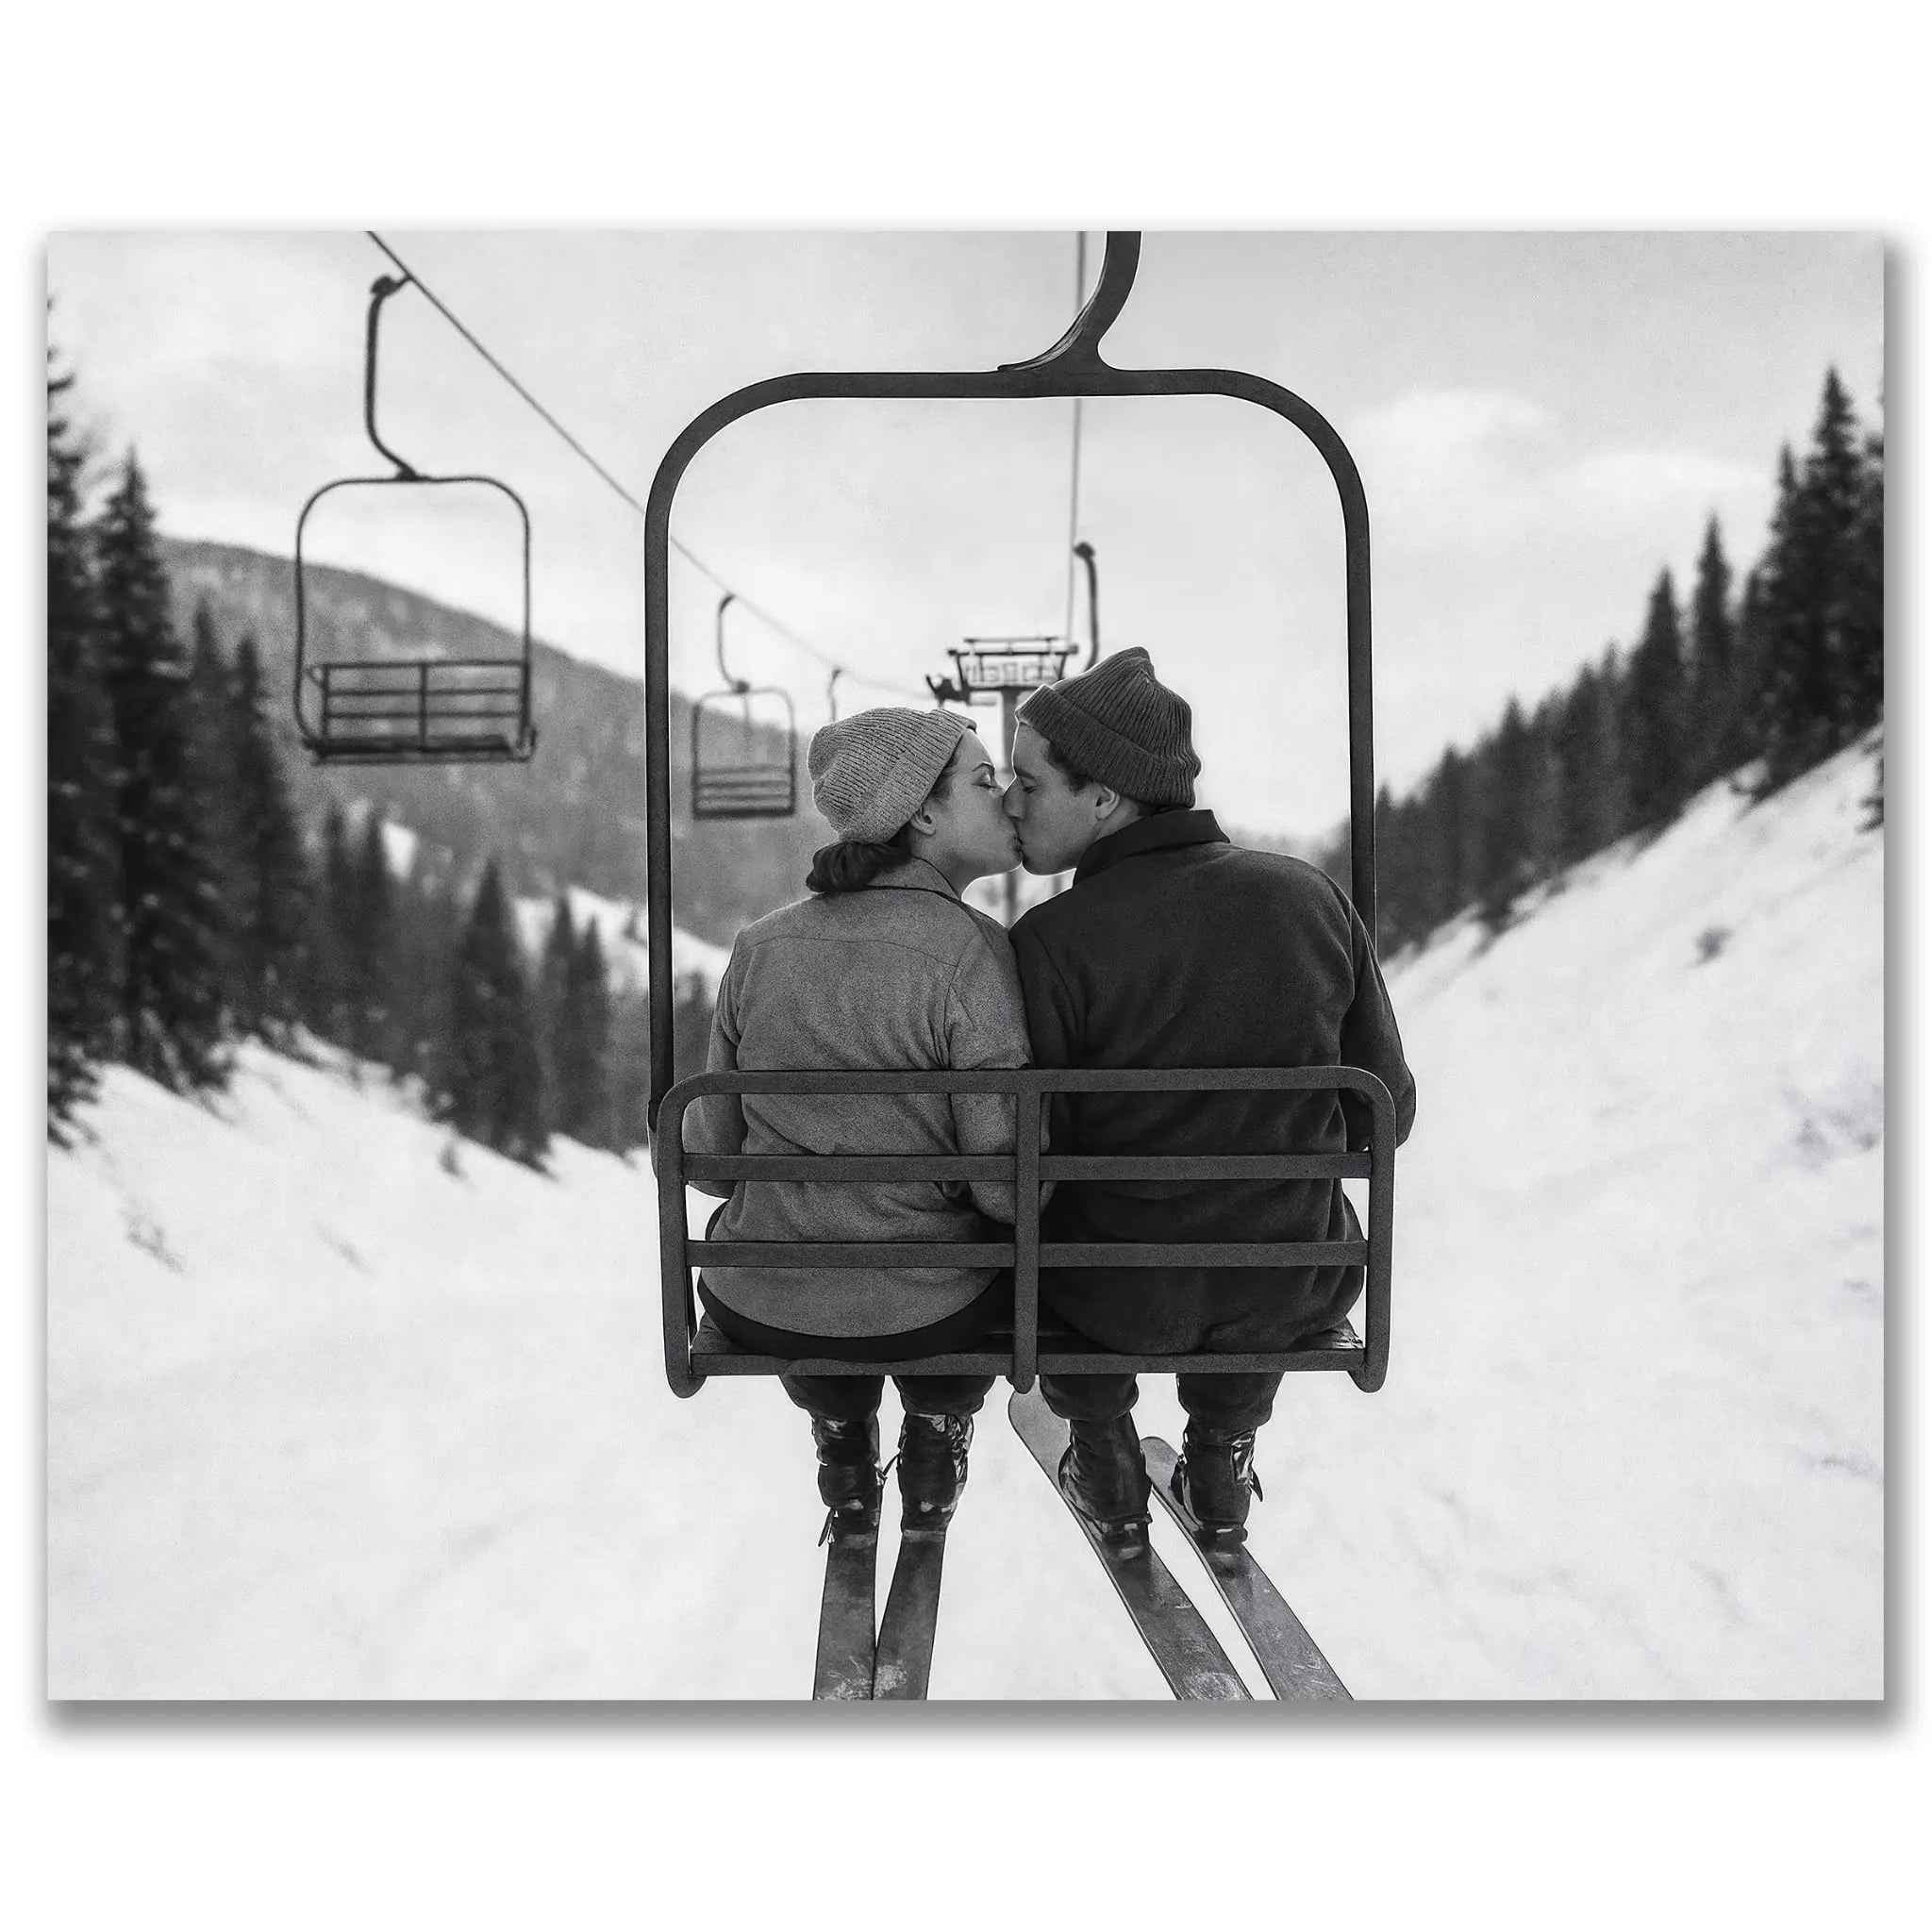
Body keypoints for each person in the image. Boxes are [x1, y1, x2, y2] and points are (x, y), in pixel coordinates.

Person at [1003, 647, 1417, 1547]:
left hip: (1111, 1301)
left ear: (1105, 798)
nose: (1011, 802)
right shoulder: (1310, 898)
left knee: (1055, 1229)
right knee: (1263, 1222)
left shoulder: (1052, 941)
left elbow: (1037, 1151)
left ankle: (1104, 1450)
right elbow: (1385, 1111)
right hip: (1291, 1288)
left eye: (1030, 785)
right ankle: (1223, 1452)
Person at [675, 707, 1034, 1543]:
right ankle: (939, 1426)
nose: (1006, 797)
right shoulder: (974, 953)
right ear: (924, 816)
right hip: (929, 1313)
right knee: (985, 1270)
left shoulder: (759, 948)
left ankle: (840, 1431)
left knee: (817, 1280)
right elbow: (1004, 1185)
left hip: (763, 1303)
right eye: (984, 781)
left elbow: (715, 1164)